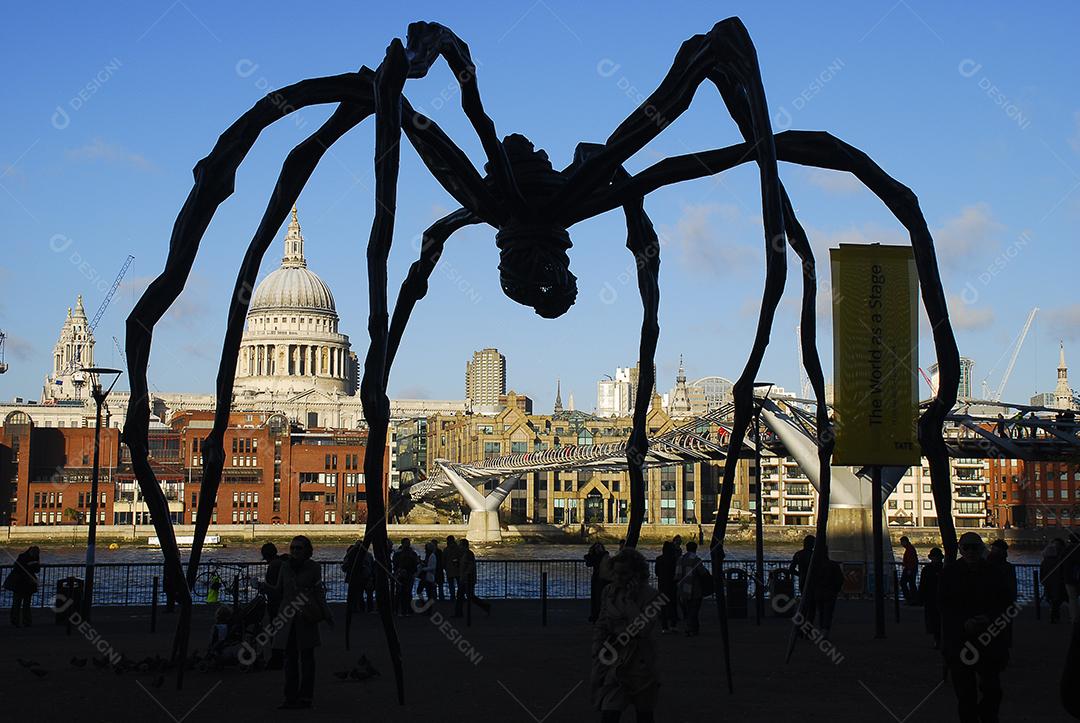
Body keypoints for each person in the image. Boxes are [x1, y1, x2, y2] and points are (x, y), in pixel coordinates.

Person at [939, 532, 1012, 723]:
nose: (971, 551)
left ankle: (985, 716)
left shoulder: (950, 572)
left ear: (981, 549)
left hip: (976, 640)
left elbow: (1005, 603)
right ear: (961, 549)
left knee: (991, 689)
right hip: (977, 639)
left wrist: (984, 618)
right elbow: (945, 606)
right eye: (967, 548)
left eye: (975, 548)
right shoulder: (993, 572)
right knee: (967, 692)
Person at [591, 547, 661, 722]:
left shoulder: (651, 596)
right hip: (615, 658)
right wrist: (597, 647)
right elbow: (602, 622)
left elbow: (643, 628)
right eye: (616, 573)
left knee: (644, 714)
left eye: (624, 574)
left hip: (640, 660)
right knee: (609, 711)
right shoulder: (608, 592)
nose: (618, 578)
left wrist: (629, 602)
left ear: (636, 574)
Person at [272, 536, 331, 710]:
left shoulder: (314, 568)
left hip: (305, 617)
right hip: (288, 617)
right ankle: (290, 697)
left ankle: (306, 697)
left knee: (307, 660)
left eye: (299, 548)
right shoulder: (284, 567)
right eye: (293, 548)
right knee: (290, 660)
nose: (295, 551)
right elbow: (278, 591)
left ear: (307, 550)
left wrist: (327, 614)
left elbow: (319, 592)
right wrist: (261, 586)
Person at [256, 542, 288, 669]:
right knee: (281, 631)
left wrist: (261, 586)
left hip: (276, 603)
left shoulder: (273, 566)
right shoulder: (282, 562)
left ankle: (277, 659)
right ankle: (283, 657)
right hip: (286, 602)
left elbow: (273, 588)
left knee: (275, 631)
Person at [675, 541, 708, 636]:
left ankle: (689, 628)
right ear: (696, 549)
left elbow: (677, 575)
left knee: (687, 610)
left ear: (686, 548)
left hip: (683, 590)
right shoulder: (697, 560)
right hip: (695, 589)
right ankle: (693, 628)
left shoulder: (680, 559)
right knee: (694, 610)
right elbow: (703, 573)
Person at [811, 546, 844, 640]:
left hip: (819, 592)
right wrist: (836, 590)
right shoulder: (833, 565)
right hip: (830, 592)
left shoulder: (814, 566)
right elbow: (840, 579)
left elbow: (812, 579)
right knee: (828, 612)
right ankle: (825, 630)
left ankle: (821, 628)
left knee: (821, 612)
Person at [4, 546, 40, 627]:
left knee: (17, 603)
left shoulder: (22, 557)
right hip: (26, 584)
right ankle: (25, 621)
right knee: (25, 604)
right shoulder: (33, 558)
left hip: (20, 584)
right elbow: (37, 570)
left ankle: (16, 621)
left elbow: (17, 568)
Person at [919, 547, 944, 648]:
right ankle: (939, 639)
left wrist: (921, 597)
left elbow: (922, 584)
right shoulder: (945, 568)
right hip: (939, 597)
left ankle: (937, 640)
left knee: (933, 620)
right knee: (940, 620)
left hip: (930, 598)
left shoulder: (926, 569)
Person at [457, 539, 490, 615]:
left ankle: (459, 613)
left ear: (464, 546)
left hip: (468, 579)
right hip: (466, 578)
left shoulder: (468, 554)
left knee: (467, 596)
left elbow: (470, 566)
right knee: (464, 595)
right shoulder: (466, 553)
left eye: (460, 545)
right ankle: (459, 612)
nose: (459, 546)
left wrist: (465, 574)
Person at [654, 542, 679, 634]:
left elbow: (656, 572)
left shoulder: (659, 559)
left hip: (662, 586)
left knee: (663, 607)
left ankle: (664, 627)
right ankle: (673, 625)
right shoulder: (675, 560)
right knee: (673, 606)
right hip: (672, 585)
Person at [585, 542, 614, 623]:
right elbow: (589, 564)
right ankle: (596, 615)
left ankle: (597, 616)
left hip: (601, 579)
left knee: (599, 598)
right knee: (596, 598)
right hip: (597, 578)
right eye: (597, 547)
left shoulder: (602, 556)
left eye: (599, 547)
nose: (598, 549)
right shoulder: (602, 556)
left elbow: (589, 563)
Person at [1042, 538, 1068, 623]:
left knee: (1051, 598)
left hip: (1048, 583)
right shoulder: (1061, 560)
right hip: (1059, 583)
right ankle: (1055, 612)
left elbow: (1042, 573)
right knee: (1058, 598)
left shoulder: (1045, 561)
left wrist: (1043, 581)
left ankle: (1054, 612)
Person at [391, 539, 419, 617]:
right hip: (406, 574)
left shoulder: (398, 554)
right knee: (405, 593)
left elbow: (395, 564)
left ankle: (399, 610)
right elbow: (415, 564)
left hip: (403, 574)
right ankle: (405, 610)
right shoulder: (412, 554)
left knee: (402, 593)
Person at [416, 541, 438, 613]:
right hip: (426, 577)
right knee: (426, 593)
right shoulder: (430, 556)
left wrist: (423, 568)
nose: (425, 550)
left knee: (424, 592)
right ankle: (427, 607)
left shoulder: (431, 556)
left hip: (427, 577)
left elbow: (432, 567)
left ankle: (427, 608)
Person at [445, 536, 463, 609]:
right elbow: (461, 557)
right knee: (459, 584)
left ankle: (452, 597)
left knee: (451, 585)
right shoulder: (458, 549)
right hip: (457, 569)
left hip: (449, 569)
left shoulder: (446, 549)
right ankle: (460, 596)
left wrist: (445, 567)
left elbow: (444, 559)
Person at [899, 536, 918, 604]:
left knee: (903, 583)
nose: (901, 544)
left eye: (902, 542)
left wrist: (909, 569)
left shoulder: (909, 549)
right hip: (911, 568)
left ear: (905, 542)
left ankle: (909, 598)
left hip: (909, 569)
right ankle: (913, 598)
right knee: (911, 584)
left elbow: (911, 560)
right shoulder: (910, 548)